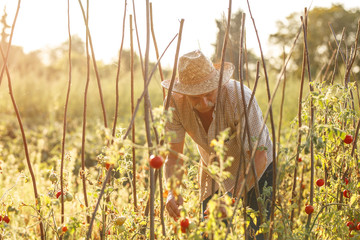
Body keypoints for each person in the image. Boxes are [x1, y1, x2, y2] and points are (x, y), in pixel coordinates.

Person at [161, 50, 273, 239]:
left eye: (208, 94)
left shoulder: (239, 98)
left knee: (255, 234)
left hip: (256, 170)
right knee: (211, 233)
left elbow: (259, 156)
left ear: (218, 85)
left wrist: (231, 199)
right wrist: (172, 191)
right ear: (184, 93)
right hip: (214, 171)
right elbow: (173, 157)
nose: (203, 102)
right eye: (195, 97)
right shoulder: (173, 105)